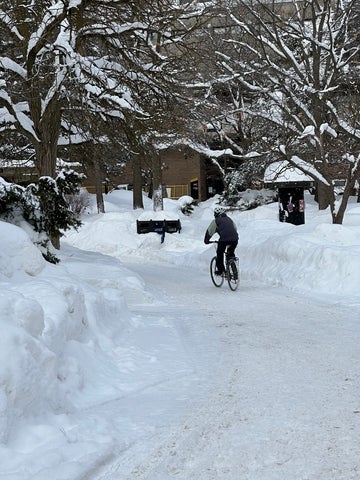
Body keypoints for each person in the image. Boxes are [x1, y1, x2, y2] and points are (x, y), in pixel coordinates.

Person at [204, 206, 238, 275]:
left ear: (216, 214)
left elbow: (210, 231)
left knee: (220, 253)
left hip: (224, 240)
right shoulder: (229, 219)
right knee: (230, 254)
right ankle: (235, 273)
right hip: (235, 239)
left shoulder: (216, 221)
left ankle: (221, 271)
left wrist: (206, 240)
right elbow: (235, 229)